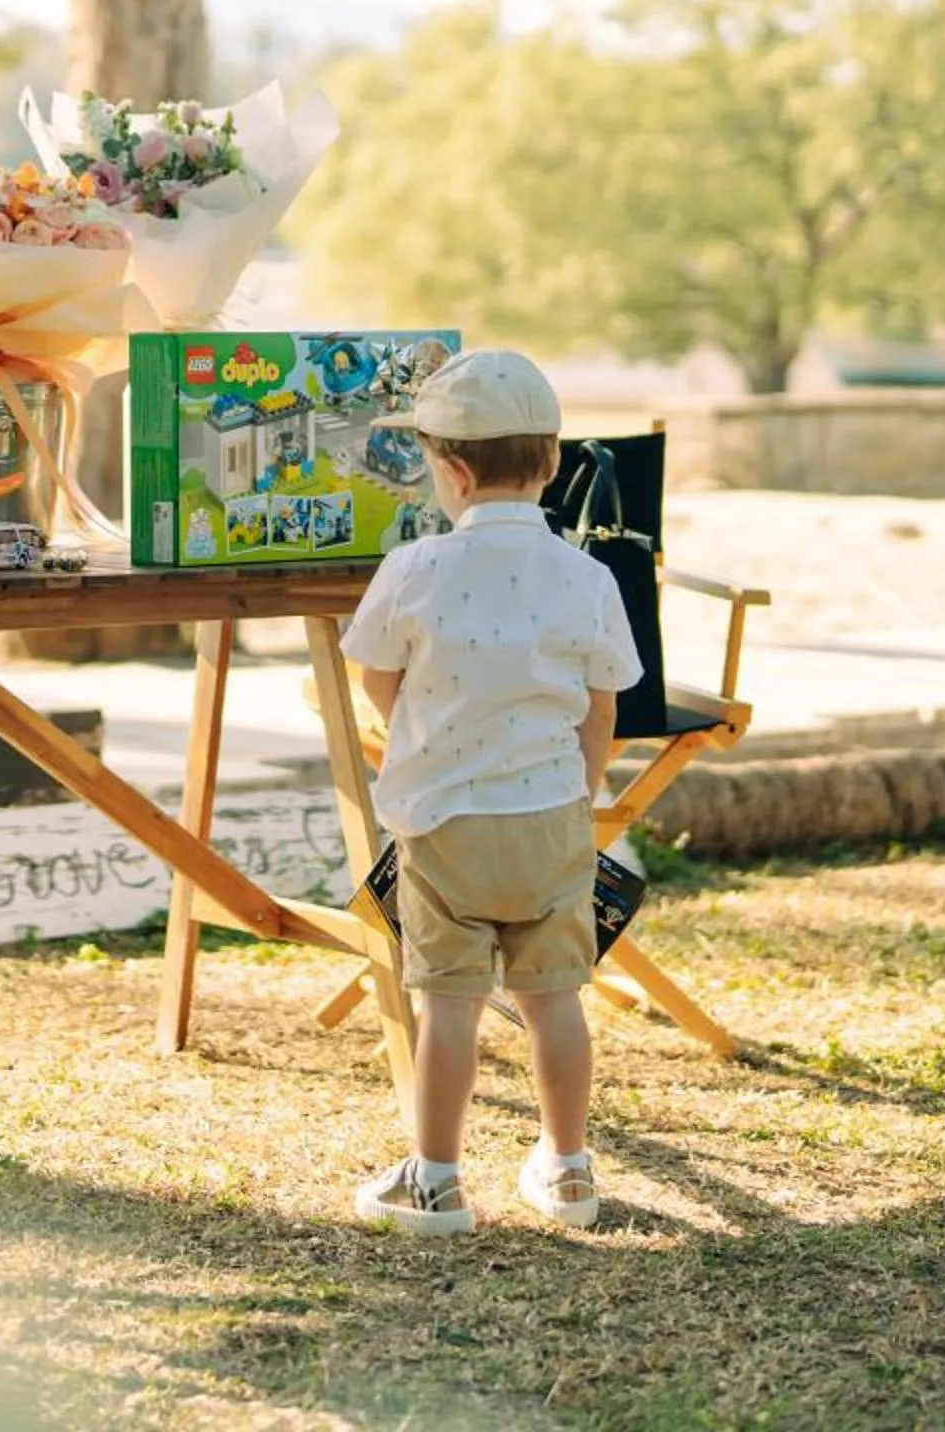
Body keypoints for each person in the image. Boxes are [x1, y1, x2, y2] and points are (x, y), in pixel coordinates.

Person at [339, 348, 639, 1235]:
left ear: (452, 470)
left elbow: (373, 676)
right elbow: (602, 704)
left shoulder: (414, 571)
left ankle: (434, 1183)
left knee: (450, 1006)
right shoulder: (587, 577)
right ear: (550, 463)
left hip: (444, 825)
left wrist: (421, 733)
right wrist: (578, 791)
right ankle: (572, 1172)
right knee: (555, 1001)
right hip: (551, 821)